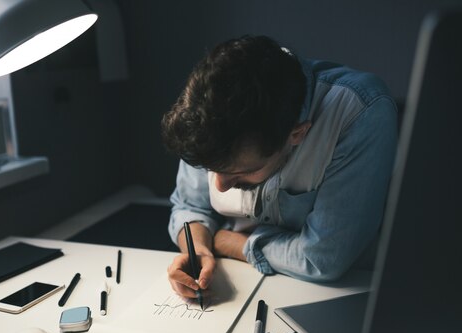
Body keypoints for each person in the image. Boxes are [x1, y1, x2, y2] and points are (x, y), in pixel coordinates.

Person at [161, 35, 397, 300]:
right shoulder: (207, 112)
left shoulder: (359, 112)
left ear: (296, 135)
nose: (219, 185)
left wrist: (231, 243)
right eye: (212, 169)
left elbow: (324, 258)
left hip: (337, 294)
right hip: (238, 278)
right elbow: (190, 207)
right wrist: (200, 249)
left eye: (242, 172)